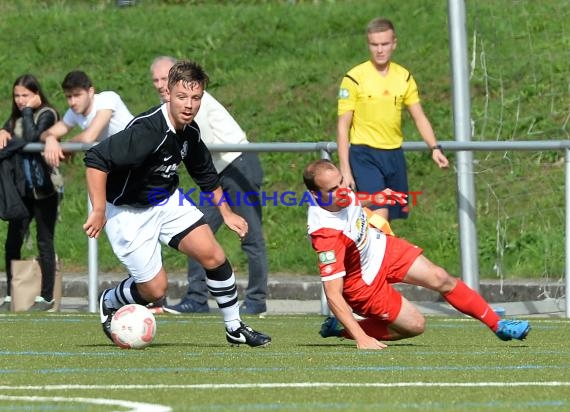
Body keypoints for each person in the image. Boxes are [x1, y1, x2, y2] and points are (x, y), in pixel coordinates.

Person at [83, 60, 271, 347]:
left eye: (196, 98)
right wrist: (98, 210)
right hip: (127, 211)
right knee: (155, 290)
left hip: (164, 200)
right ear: (168, 94)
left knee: (214, 256)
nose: (189, 104)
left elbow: (206, 175)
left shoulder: (190, 132)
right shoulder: (147, 131)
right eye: (182, 96)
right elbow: (96, 160)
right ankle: (110, 300)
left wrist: (227, 213)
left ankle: (234, 327)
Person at [303, 159, 530, 350]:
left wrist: (377, 198)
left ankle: (498, 325)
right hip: (363, 283)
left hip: (380, 247)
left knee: (440, 277)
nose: (342, 191)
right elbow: (333, 294)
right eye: (332, 190)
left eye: (342, 182)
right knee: (415, 326)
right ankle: (346, 329)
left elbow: (351, 199)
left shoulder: (338, 191)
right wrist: (361, 339)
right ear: (315, 194)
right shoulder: (326, 235)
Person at [150, 56, 269, 315]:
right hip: (217, 173)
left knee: (250, 236)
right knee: (197, 233)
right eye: (156, 80)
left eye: (163, 78)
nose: (160, 84)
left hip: (238, 165)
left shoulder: (192, 99)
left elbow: (200, 144)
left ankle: (256, 301)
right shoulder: (173, 102)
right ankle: (197, 299)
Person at [337, 17, 449, 223]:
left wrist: (434, 148)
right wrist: (345, 169)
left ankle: (369, 252)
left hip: (394, 154)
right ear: (368, 45)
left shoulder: (404, 77)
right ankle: (372, 253)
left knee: (386, 221)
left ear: (394, 44)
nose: (380, 50)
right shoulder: (354, 77)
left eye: (384, 44)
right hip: (364, 154)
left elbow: (419, 116)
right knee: (379, 214)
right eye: (374, 44)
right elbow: (343, 125)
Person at [0, 74, 60, 311]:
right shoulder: (14, 118)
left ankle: (46, 297)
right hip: (21, 192)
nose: (20, 100)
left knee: (44, 241)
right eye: (17, 96)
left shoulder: (47, 114)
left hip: (45, 190)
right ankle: (9, 294)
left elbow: (34, 136)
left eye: (25, 95)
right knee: (12, 242)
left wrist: (28, 112)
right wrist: (2, 132)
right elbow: (8, 136)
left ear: (36, 95)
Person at [41, 70, 133, 167]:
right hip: (122, 159)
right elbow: (45, 134)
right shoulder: (73, 112)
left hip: (142, 150)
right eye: (68, 97)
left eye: (77, 95)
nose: (72, 102)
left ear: (90, 92)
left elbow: (88, 137)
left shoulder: (107, 99)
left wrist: (68, 146)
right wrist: (50, 139)